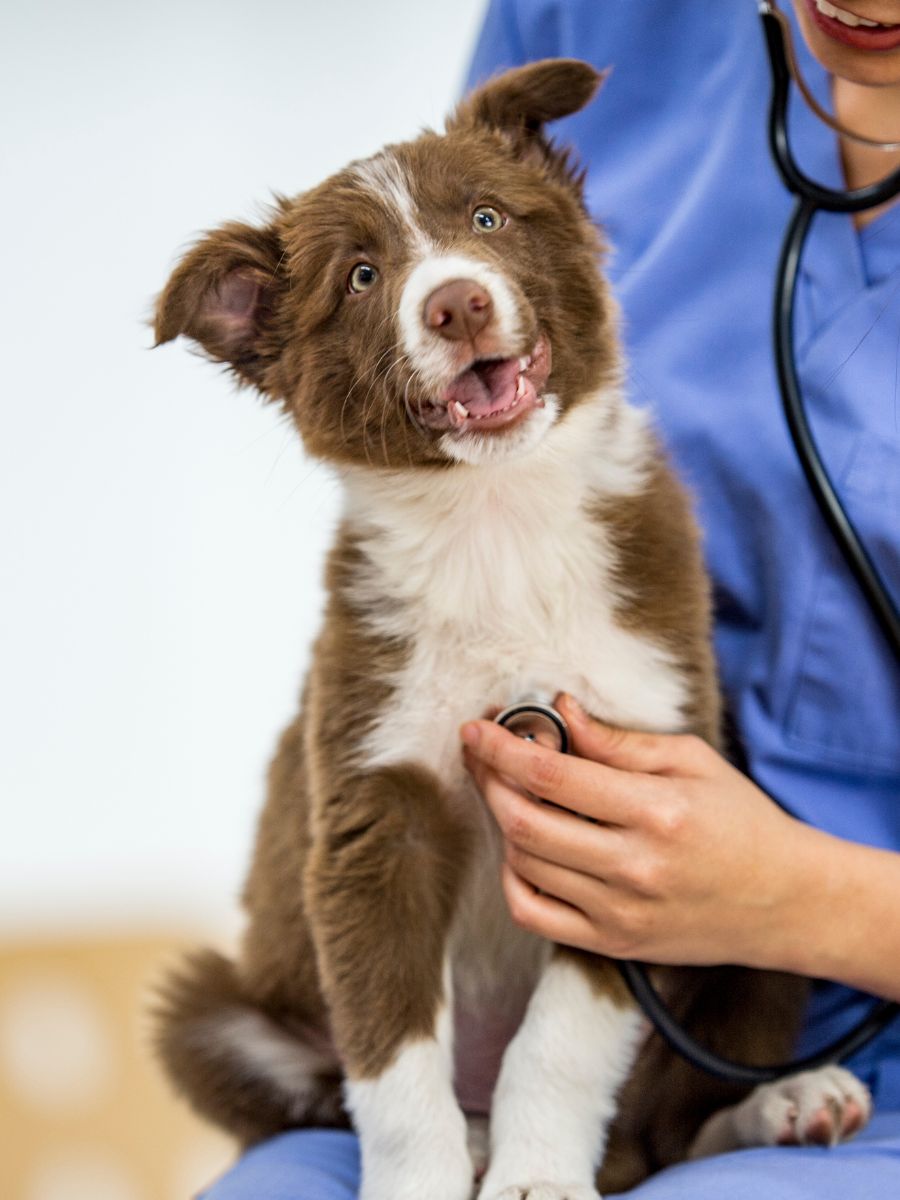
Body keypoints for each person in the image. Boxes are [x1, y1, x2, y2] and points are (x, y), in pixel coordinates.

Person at [200, 2, 900, 1195]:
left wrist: (798, 901)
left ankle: (683, 1127)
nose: (453, 286)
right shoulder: (591, 18)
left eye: (483, 227)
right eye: (375, 275)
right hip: (429, 1044)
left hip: (793, 998)